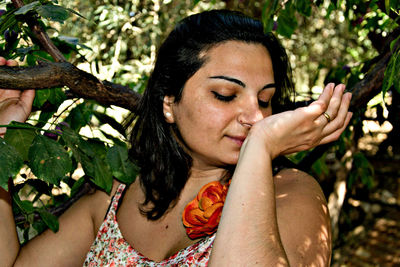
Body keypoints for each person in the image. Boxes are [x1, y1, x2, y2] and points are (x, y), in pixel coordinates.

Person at [0, 9, 352, 266]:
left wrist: (258, 149)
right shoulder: (115, 194)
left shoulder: (291, 194)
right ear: (170, 102)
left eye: (265, 100)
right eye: (226, 95)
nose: (256, 117)